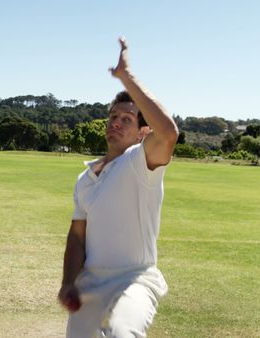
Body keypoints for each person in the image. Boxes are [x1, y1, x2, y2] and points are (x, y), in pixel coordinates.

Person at [58, 37, 179, 338]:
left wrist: (127, 76)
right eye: (113, 117)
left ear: (142, 132)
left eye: (127, 119)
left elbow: (168, 133)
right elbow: (76, 237)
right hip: (89, 285)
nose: (116, 123)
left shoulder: (140, 162)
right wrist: (68, 282)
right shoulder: (86, 178)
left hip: (134, 280)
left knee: (121, 332)